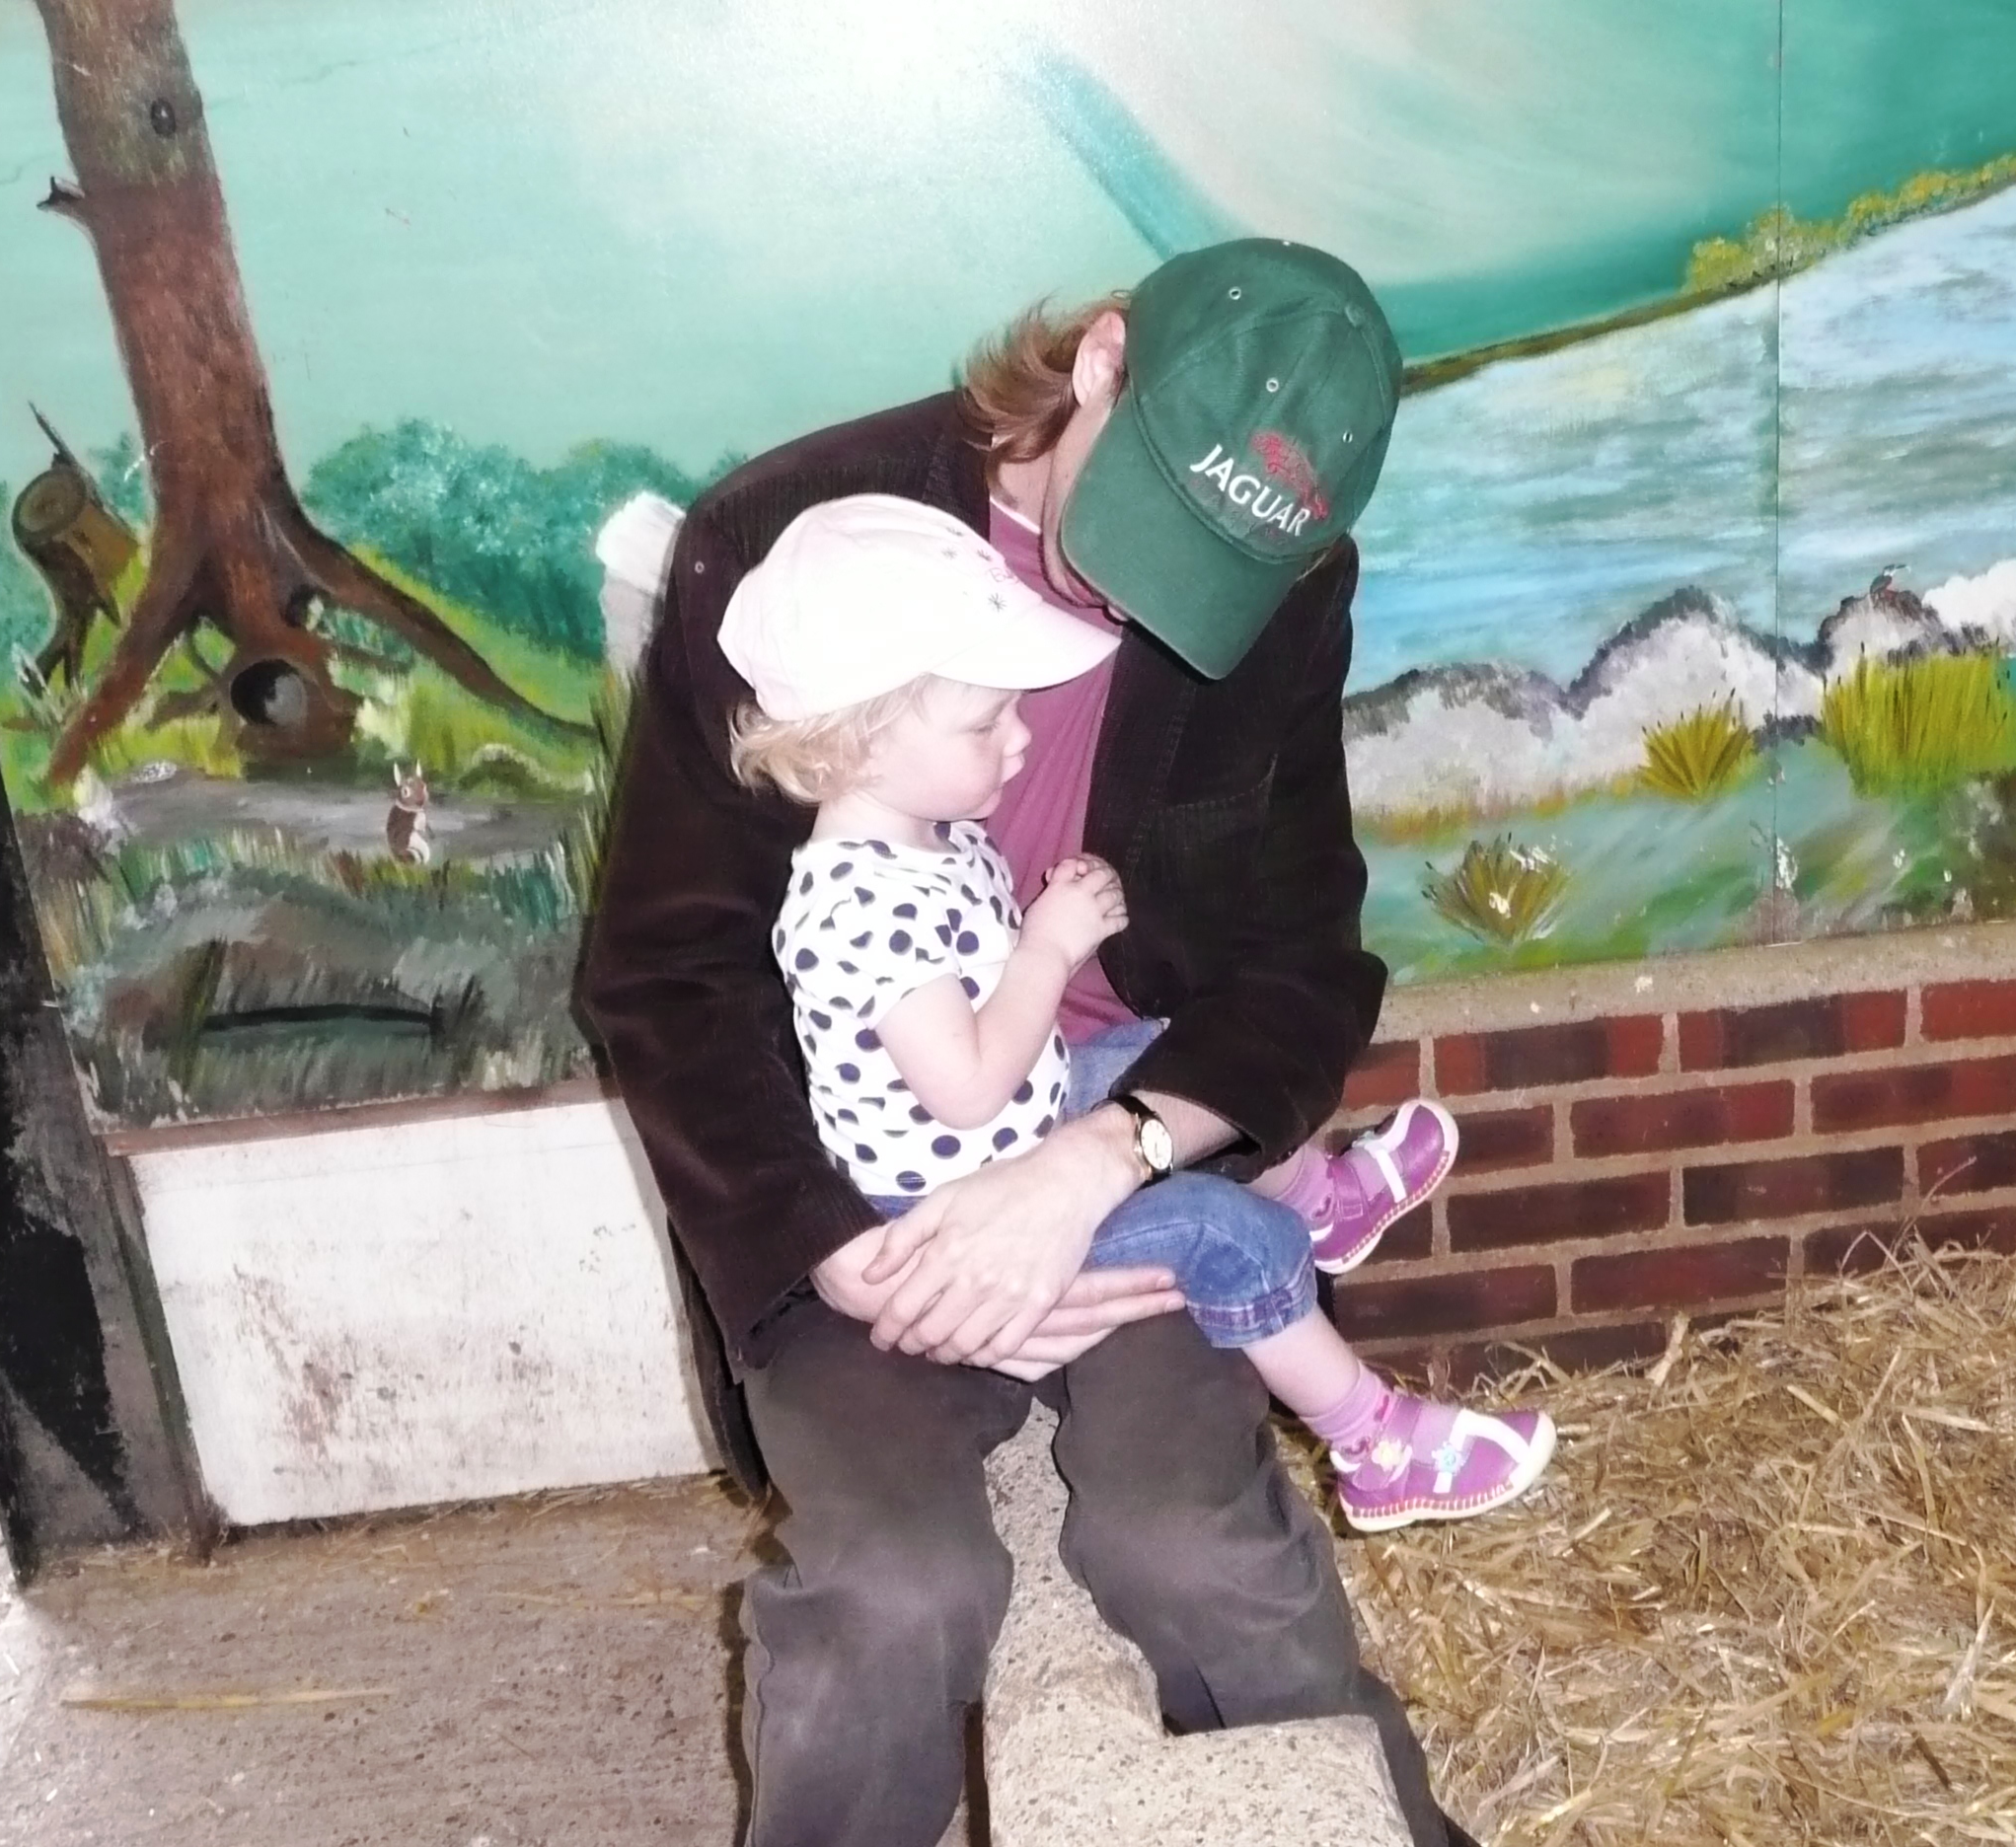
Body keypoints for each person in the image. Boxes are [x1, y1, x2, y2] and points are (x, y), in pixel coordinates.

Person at [583, 239, 1492, 1847]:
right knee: (896, 1588)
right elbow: (663, 972)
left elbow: (1300, 966)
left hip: (1115, 1135)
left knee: (1189, 1547)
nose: (1142, 603)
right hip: (862, 1183)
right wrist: (832, 1250)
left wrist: (1102, 1158)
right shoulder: (786, 543)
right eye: (1147, 531)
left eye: (1212, 571)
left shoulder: (1290, 588)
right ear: (1099, 363)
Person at [724, 491, 1553, 1529]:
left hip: (1008, 1125)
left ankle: (1321, 1199)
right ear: (859, 743)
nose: (1020, 741)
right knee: (1226, 1233)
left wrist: (1037, 926)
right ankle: (1371, 1440)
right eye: (986, 722)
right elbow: (967, 1085)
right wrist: (1049, 946)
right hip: (949, 1206)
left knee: (1172, 1056)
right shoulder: (857, 902)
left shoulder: (923, 833)